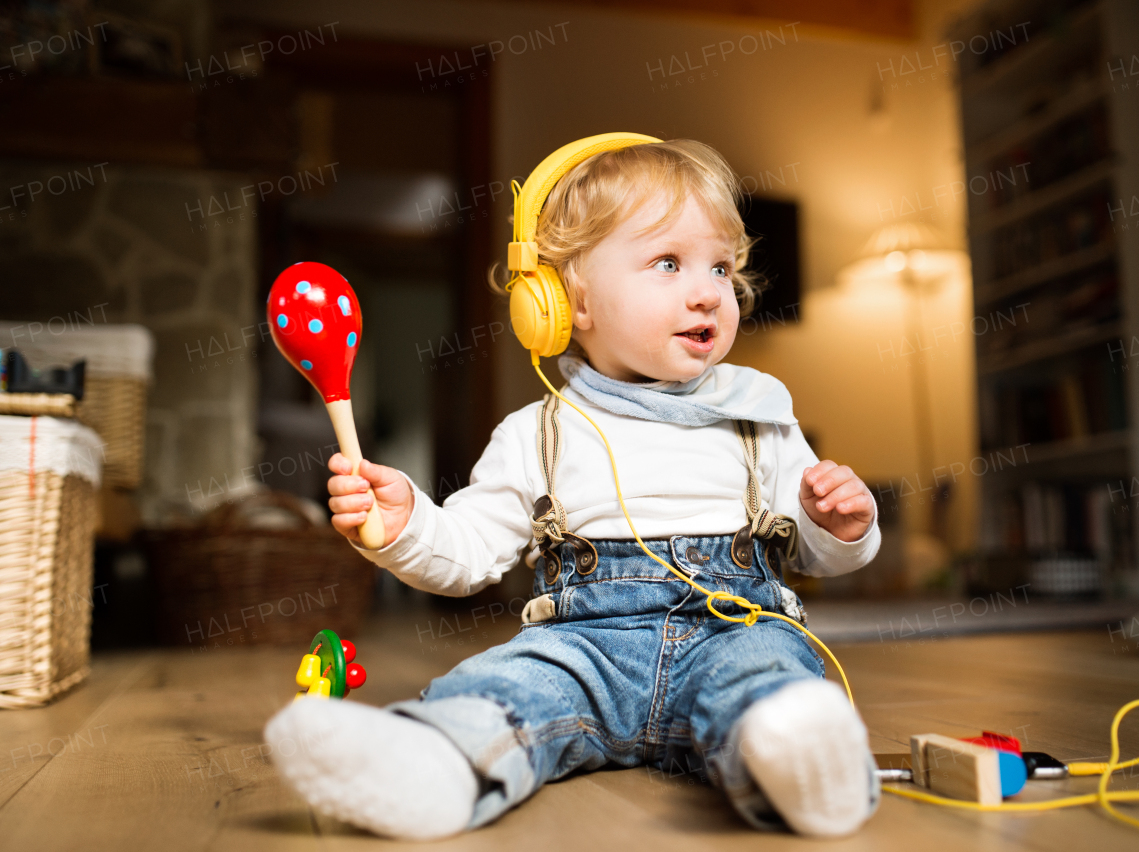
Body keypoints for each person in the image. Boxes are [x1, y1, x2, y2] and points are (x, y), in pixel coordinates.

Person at [264, 137, 883, 841]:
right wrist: (408, 523)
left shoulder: (761, 415)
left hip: (734, 633)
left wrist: (840, 527)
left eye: (721, 267)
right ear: (564, 302)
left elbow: (813, 556)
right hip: (585, 650)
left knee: (770, 678)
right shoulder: (538, 432)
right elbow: (470, 554)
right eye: (668, 263)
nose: (709, 289)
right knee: (509, 683)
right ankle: (437, 767)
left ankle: (803, 770)